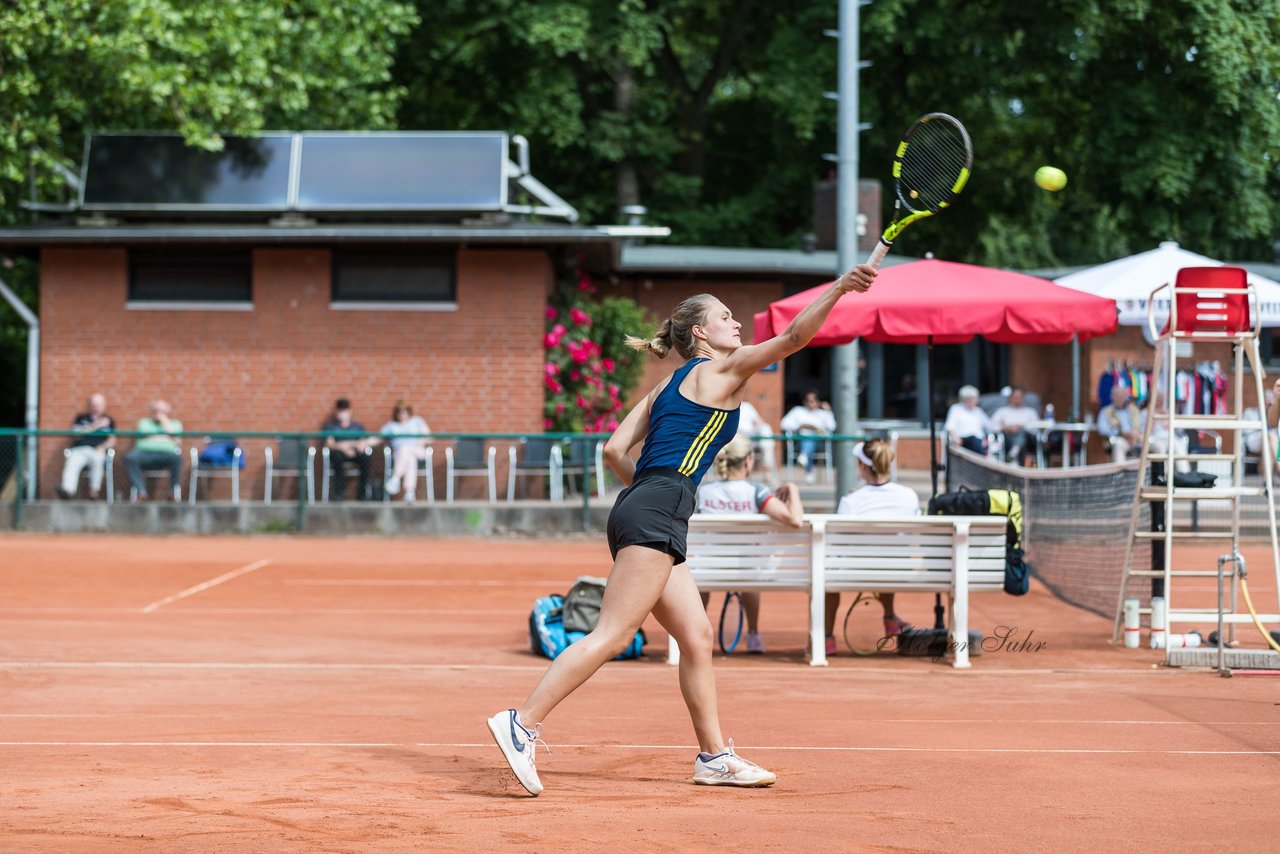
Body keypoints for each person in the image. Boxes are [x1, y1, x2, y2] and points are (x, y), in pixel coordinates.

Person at [486, 263, 878, 795]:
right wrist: (839, 288)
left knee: (696, 637)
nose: (736, 324)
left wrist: (651, 493)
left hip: (641, 504)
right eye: (725, 316)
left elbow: (612, 450)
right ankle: (522, 722)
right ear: (699, 332)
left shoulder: (666, 386)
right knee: (613, 634)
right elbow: (793, 337)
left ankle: (714, 757)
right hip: (657, 508)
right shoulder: (726, 368)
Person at [695, 435, 805, 654]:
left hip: (708, 569)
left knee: (699, 575)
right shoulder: (757, 491)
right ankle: (753, 634)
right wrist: (792, 489)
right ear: (748, 460)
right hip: (750, 571)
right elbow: (795, 520)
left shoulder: (703, 491)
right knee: (751, 572)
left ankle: (695, 634)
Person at [825, 439, 921, 655]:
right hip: (898, 572)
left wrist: (856, 497)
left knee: (828, 572)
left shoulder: (851, 501)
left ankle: (826, 639)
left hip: (854, 572)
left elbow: (838, 541)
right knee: (890, 555)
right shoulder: (909, 496)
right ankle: (889, 617)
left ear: (863, 467)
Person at [57, 393, 116, 500]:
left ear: (104, 406)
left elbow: (112, 440)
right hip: (80, 450)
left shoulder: (109, 420)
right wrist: (96, 426)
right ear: (89, 405)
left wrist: (103, 447)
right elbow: (76, 434)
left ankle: (94, 493)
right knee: (72, 461)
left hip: (97, 450)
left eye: (99, 405)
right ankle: (68, 491)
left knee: (98, 459)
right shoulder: (81, 418)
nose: (96, 407)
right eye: (94, 404)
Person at [124, 400, 183, 501]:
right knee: (130, 458)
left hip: (167, 455)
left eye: (161, 411)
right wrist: (165, 437)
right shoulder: (144, 422)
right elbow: (144, 435)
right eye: (156, 410)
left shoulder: (175, 424)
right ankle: (141, 492)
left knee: (177, 458)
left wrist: (164, 422)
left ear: (167, 412)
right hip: (144, 454)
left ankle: (172, 492)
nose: (158, 413)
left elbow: (177, 440)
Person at [323, 398, 376, 500]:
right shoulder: (331, 427)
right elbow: (330, 444)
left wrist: (348, 446)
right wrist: (344, 448)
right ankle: (338, 495)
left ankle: (363, 495)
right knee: (337, 459)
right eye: (340, 410)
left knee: (366, 458)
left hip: (355, 453)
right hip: (338, 454)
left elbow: (361, 442)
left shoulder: (357, 426)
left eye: (345, 409)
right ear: (336, 411)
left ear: (350, 411)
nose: (343, 412)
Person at [379, 400, 431, 503]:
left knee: (406, 449)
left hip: (418, 451)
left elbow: (429, 437)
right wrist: (364, 443)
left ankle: (396, 478)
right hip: (400, 456)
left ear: (409, 411)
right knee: (410, 459)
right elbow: (377, 438)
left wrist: (420, 441)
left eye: (404, 411)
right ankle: (410, 492)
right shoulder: (391, 426)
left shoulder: (417, 421)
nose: (402, 414)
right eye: (399, 412)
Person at [780, 390, 836, 484]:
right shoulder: (798, 411)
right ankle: (806, 462)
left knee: (810, 438)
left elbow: (832, 426)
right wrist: (799, 427)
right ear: (804, 401)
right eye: (808, 400)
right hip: (799, 442)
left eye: (812, 401)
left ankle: (805, 460)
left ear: (818, 402)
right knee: (807, 438)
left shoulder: (823, 413)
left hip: (819, 444)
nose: (810, 403)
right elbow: (783, 424)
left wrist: (828, 411)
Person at [989, 386, 1040, 466]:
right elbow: (991, 426)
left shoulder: (1030, 412)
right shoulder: (1002, 411)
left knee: (1022, 433)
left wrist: (1020, 426)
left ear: (1023, 398)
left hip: (1028, 440)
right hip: (1007, 439)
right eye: (1015, 397)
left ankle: (1013, 453)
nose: (1017, 400)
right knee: (1018, 437)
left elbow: (1036, 428)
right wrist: (1006, 428)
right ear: (1010, 398)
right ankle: (1014, 453)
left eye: (1019, 397)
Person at [1098, 385, 1143, 462]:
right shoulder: (1106, 411)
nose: (1119, 399)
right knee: (1118, 444)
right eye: (1116, 397)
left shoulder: (1134, 409)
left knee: (1155, 445)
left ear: (1126, 397)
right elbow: (1102, 429)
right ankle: (1120, 472)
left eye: (1121, 397)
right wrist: (1121, 432)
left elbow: (1143, 425)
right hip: (1120, 439)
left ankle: (1156, 472)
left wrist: (1135, 434)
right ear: (1112, 397)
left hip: (1137, 439)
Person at [944, 385, 992, 454]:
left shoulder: (978, 411)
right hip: (963, 440)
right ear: (966, 399)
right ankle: (984, 453)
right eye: (973, 399)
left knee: (979, 442)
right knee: (974, 440)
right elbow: (949, 427)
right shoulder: (956, 409)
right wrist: (955, 437)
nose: (976, 401)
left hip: (979, 441)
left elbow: (989, 426)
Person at [735, 399, 777, 474]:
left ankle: (768, 467)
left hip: (751, 437)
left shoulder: (747, 406)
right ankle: (768, 469)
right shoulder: (728, 406)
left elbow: (759, 422)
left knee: (766, 428)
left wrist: (761, 428)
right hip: (736, 437)